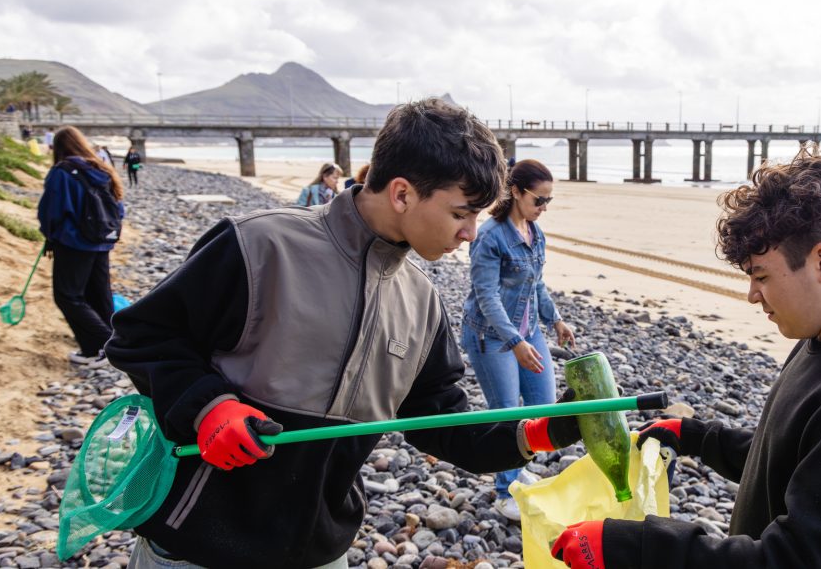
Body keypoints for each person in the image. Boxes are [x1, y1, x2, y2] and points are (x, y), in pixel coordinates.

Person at [104, 98, 582, 569]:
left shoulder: (421, 302)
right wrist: (209, 407)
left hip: (320, 554)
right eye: (461, 214)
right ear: (402, 194)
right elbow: (143, 335)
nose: (470, 233)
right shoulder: (261, 245)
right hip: (196, 549)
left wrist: (542, 432)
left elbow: (442, 421)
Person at [550, 148, 821, 568]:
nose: (752, 295)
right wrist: (699, 438)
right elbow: (789, 462)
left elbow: (792, 560)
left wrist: (635, 547)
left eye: (761, 275)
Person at [461, 158, 576, 521]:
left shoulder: (535, 233)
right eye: (539, 200)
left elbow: (536, 284)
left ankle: (516, 466)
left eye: (549, 200)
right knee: (508, 413)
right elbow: (486, 296)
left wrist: (555, 320)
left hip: (528, 332)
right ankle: (504, 490)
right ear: (515, 191)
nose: (544, 207)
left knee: (542, 407)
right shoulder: (491, 236)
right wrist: (514, 342)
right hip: (491, 337)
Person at [37, 126, 125, 369]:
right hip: (102, 239)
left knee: (68, 296)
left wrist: (50, 236)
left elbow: (52, 211)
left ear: (58, 147)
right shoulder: (101, 168)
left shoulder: (62, 171)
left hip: (74, 242)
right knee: (99, 293)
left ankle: (105, 346)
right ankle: (103, 348)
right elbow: (119, 207)